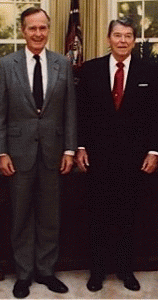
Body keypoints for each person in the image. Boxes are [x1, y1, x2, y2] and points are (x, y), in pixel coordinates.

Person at [0, 7, 77, 299]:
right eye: (32, 28)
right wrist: (1, 152)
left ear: (49, 30)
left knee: (49, 215)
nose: (38, 33)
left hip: (54, 152)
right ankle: (24, 274)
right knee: (20, 216)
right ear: (23, 30)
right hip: (18, 154)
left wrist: (69, 148)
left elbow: (69, 111)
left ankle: (46, 270)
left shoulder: (61, 64)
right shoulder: (6, 65)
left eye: (43, 28)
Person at [76, 18, 158, 292]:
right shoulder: (91, 70)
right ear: (108, 38)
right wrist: (81, 146)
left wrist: (154, 150)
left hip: (134, 158)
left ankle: (125, 269)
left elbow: (155, 115)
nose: (122, 41)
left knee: (129, 214)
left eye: (128, 36)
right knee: (98, 215)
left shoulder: (150, 70)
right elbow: (82, 113)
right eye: (117, 35)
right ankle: (97, 270)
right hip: (98, 157)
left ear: (134, 40)